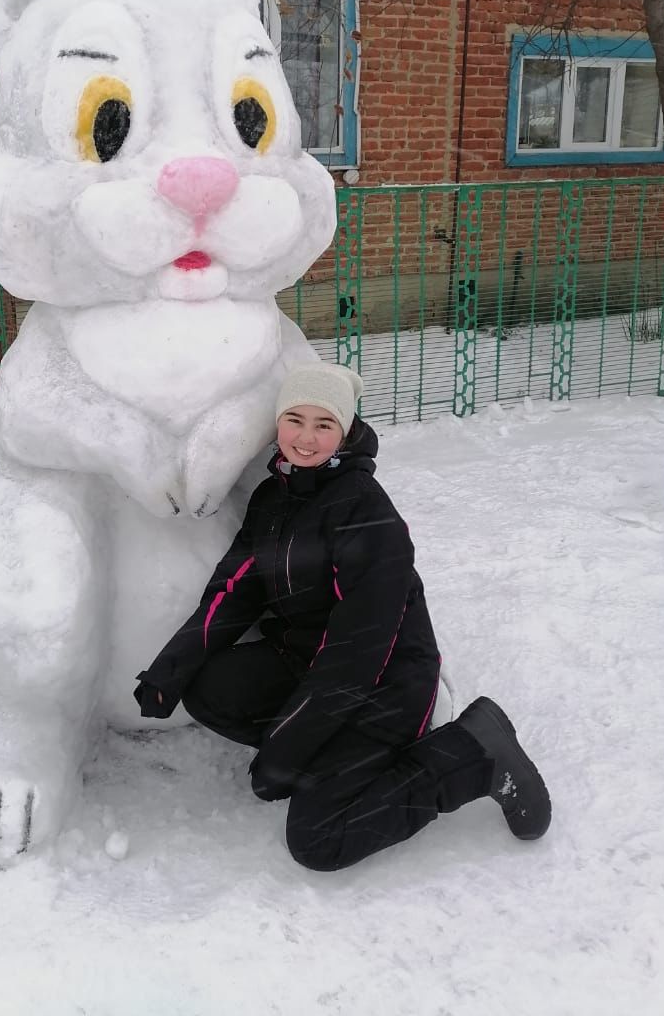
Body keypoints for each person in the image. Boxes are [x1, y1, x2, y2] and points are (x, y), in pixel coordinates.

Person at [133, 361, 551, 872]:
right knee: (204, 686)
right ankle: (325, 756)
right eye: (295, 419)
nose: (306, 438)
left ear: (346, 431)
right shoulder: (274, 498)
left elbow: (358, 655)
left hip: (386, 681)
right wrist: (168, 671)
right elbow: (231, 593)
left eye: (324, 424)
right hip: (309, 665)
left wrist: (287, 746)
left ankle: (473, 756)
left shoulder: (367, 514)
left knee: (319, 840)